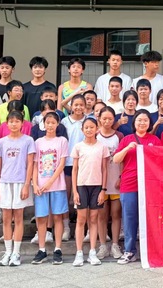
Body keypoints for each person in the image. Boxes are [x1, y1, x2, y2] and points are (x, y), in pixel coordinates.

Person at [113, 110, 162, 264]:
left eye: (145, 120)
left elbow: (162, 160)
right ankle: (129, 251)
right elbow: (116, 159)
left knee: (150, 218)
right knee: (129, 218)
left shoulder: (155, 140)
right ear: (134, 122)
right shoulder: (127, 139)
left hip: (149, 185)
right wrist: (127, 148)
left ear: (150, 123)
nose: (142, 123)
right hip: (129, 184)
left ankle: (151, 251)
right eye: (139, 120)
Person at [0, 111, 35, 267]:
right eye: (11, 121)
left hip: (20, 182)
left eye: (17, 121)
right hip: (5, 182)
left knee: (18, 217)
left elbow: (30, 164)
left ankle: (16, 253)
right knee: (6, 218)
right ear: (6, 123)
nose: (14, 124)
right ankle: (8, 252)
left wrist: (27, 185)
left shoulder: (28, 140)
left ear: (22, 123)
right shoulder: (1, 142)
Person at [71, 118, 110, 267]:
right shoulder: (78, 147)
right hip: (81, 186)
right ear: (82, 130)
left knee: (94, 218)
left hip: (97, 186)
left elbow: (104, 169)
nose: (89, 130)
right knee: (81, 219)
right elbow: (74, 170)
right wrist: (75, 191)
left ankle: (92, 251)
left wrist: (103, 190)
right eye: (86, 127)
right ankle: (79, 252)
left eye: (92, 127)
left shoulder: (102, 147)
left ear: (97, 128)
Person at [31, 112, 68, 265]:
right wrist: (35, 183)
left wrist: (50, 182)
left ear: (57, 124)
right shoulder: (38, 142)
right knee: (41, 218)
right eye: (48, 123)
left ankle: (58, 249)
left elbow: (61, 164)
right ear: (43, 124)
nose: (50, 125)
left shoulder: (62, 141)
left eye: (53, 123)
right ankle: (42, 249)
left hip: (57, 185)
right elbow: (34, 164)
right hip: (40, 186)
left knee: (58, 216)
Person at [96, 107, 125, 260]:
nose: (107, 121)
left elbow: (123, 159)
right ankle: (102, 245)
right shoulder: (95, 135)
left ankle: (115, 245)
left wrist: (121, 176)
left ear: (114, 119)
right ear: (99, 119)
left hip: (115, 181)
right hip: (99, 181)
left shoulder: (119, 136)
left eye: (110, 119)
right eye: (104, 119)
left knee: (116, 214)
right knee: (101, 215)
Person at [60, 94, 87, 241]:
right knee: (66, 195)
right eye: (75, 104)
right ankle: (66, 227)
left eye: (81, 104)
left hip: (84, 163)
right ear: (71, 106)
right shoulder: (65, 122)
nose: (78, 107)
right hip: (67, 163)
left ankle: (81, 227)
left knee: (81, 197)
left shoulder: (89, 121)